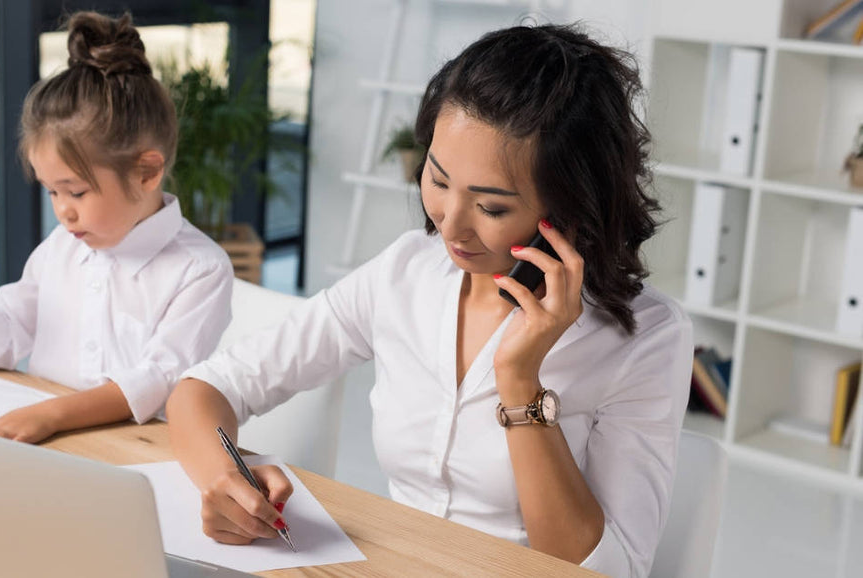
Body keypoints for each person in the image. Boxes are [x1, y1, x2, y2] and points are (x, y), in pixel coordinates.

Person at [166, 24, 691, 578]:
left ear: (569, 210)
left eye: (490, 208)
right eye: (438, 180)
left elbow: (607, 569)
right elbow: (207, 388)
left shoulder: (648, 338)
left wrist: (519, 382)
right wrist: (225, 482)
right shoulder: (405, 272)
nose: (450, 225)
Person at [0, 11, 233, 444]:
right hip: (47, 442)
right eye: (51, 193)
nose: (63, 212)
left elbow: (157, 383)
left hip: (135, 456)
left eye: (76, 192)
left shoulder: (200, 270)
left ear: (146, 172)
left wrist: (49, 415)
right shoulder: (63, 247)